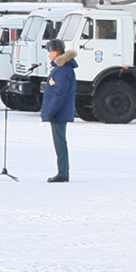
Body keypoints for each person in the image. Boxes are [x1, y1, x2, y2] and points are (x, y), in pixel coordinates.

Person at [40, 38, 77, 183]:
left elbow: (60, 92)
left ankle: (63, 173)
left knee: (60, 142)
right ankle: (62, 171)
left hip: (59, 113)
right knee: (59, 142)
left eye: (50, 52)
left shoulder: (62, 70)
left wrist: (51, 110)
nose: (49, 55)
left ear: (55, 52)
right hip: (58, 112)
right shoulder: (60, 68)